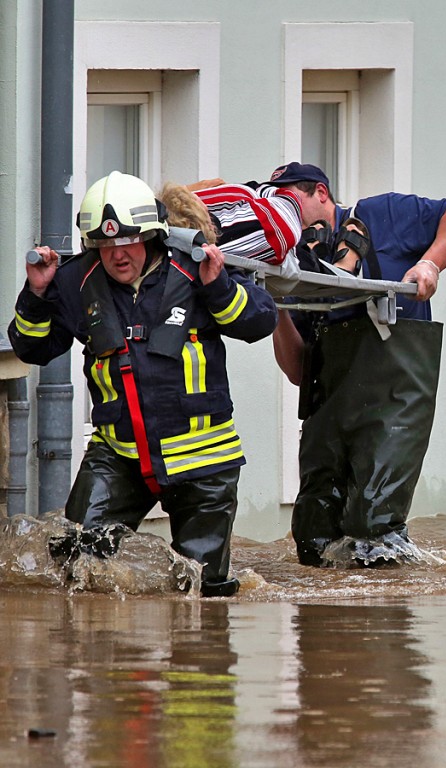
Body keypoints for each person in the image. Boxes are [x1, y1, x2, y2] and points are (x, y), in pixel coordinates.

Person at [7, 171, 279, 596]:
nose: (117, 255)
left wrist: (219, 287)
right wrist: (35, 295)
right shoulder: (75, 282)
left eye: (127, 242)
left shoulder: (194, 268)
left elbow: (259, 321)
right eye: (105, 246)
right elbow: (31, 348)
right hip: (119, 457)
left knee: (202, 593)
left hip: (203, 462)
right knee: (77, 564)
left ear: (152, 235)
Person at [265, 162, 446, 566]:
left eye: (292, 203)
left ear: (321, 194)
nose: (286, 217)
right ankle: (320, 627)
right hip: (328, 407)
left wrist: (430, 263)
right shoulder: (297, 263)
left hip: (394, 401)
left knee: (372, 531)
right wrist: (275, 305)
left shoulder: (382, 215)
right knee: (313, 533)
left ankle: (385, 617)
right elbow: (298, 371)